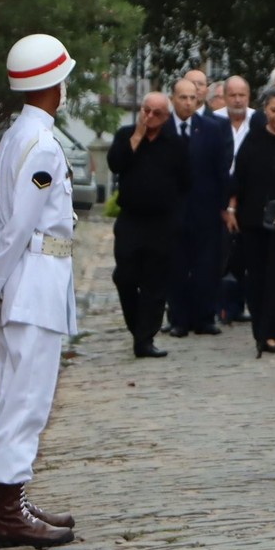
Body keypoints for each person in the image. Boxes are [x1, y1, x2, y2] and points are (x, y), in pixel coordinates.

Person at [0, 33, 78, 550]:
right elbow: (17, 226)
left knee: (15, 391)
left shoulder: (16, 135)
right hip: (34, 277)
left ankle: (15, 499)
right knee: (25, 395)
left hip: (28, 276)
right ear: (53, 85)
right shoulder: (41, 144)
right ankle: (10, 513)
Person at [106, 91, 187, 358]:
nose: (149, 116)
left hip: (162, 223)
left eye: (156, 113)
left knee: (155, 282)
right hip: (131, 219)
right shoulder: (126, 135)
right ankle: (137, 328)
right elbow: (116, 164)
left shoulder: (175, 144)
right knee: (125, 276)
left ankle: (145, 339)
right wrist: (137, 136)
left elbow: (186, 182)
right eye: (146, 110)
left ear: (166, 117)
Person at [230, 83, 275, 357]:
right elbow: (239, 178)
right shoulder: (253, 140)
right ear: (265, 110)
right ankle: (262, 333)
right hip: (254, 219)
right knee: (257, 277)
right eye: (274, 110)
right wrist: (231, 209)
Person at [167, 78, 230, 337]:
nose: (189, 103)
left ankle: (205, 317)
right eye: (183, 97)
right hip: (172, 211)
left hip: (205, 209)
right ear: (173, 99)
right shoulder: (164, 128)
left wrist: (224, 206)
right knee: (177, 266)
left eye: (193, 98)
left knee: (206, 266)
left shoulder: (211, 128)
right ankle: (179, 319)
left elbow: (221, 171)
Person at [217, 74, 256, 322]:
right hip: (219, 195)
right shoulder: (214, 120)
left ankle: (240, 305)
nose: (238, 100)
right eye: (233, 95)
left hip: (249, 196)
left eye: (242, 95)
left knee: (244, 254)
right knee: (220, 255)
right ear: (225, 96)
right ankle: (221, 307)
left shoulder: (258, 120)